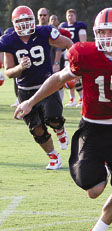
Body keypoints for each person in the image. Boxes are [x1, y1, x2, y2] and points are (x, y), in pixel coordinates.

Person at [14, 8, 112, 231]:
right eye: (103, 31)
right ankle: (103, 169)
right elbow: (58, 79)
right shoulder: (85, 53)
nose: (108, 36)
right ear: (95, 33)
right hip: (91, 128)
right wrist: (29, 101)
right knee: (94, 189)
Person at [0, 5, 73, 169]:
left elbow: (68, 43)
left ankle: (60, 129)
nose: (25, 24)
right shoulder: (9, 40)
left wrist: (73, 63)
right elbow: (9, 72)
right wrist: (20, 67)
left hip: (46, 85)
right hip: (25, 90)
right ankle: (54, 156)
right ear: (14, 23)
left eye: (28, 20)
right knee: (36, 128)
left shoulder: (43, 32)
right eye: (21, 21)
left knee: (53, 118)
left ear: (33, 20)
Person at [59, 9, 87, 107]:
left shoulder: (80, 26)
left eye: (72, 15)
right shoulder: (63, 26)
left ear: (75, 16)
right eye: (68, 15)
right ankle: (72, 99)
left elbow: (83, 41)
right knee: (68, 78)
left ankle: (81, 98)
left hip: (75, 54)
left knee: (77, 78)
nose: (70, 17)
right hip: (65, 55)